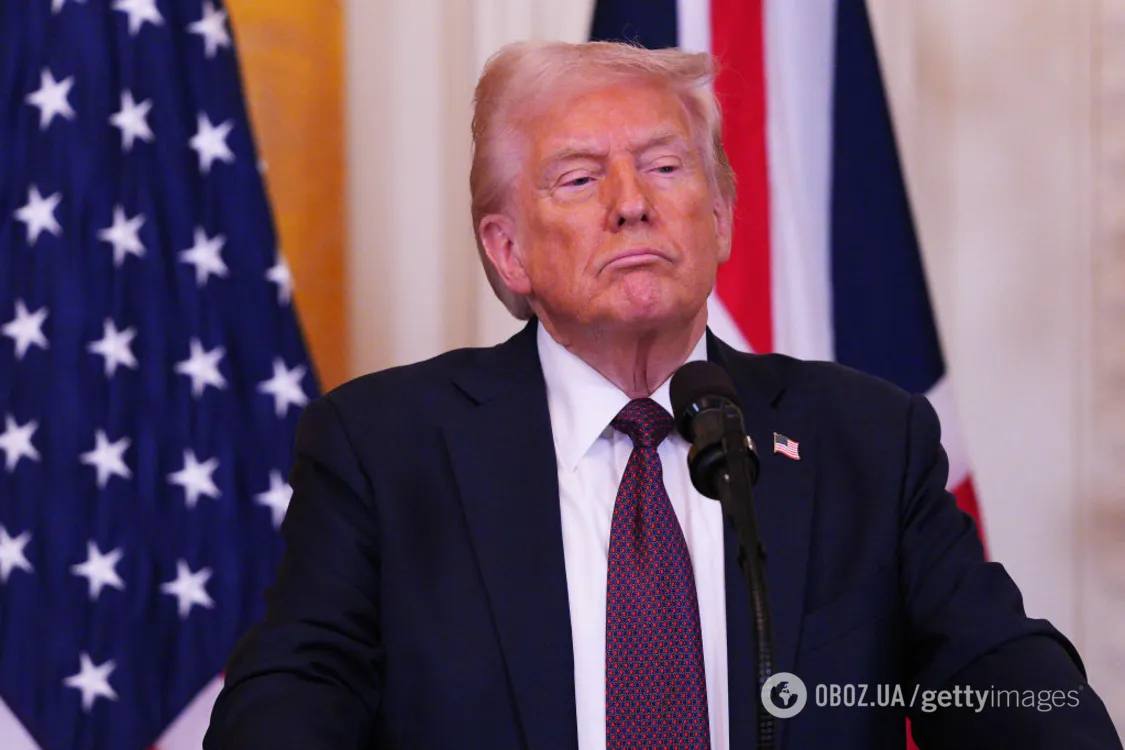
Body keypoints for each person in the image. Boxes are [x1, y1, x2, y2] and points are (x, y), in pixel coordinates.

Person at [204, 41, 1121, 749]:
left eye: (665, 166)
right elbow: (294, 696)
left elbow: (1000, 676)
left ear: (718, 218)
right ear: (507, 251)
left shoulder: (864, 439)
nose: (631, 202)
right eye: (578, 178)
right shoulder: (387, 447)